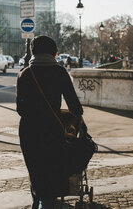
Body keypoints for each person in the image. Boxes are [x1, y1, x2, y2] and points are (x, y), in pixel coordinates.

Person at [16, 36, 83, 209]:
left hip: (28, 130)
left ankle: (35, 201)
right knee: (50, 169)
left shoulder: (24, 74)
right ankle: (46, 204)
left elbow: (20, 109)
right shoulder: (59, 72)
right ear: (53, 53)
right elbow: (75, 106)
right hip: (52, 129)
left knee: (35, 168)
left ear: (33, 52)